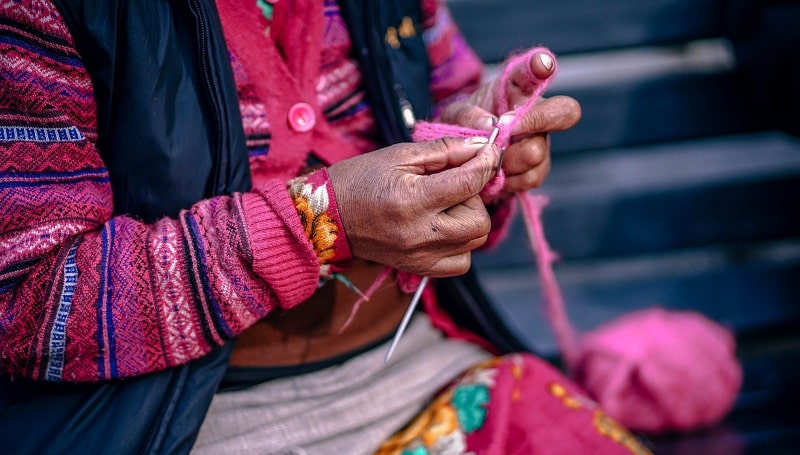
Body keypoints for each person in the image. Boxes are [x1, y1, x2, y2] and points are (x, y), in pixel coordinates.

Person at [0, 0, 650, 453]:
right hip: (192, 420)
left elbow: (452, 106)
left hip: (415, 367)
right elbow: (27, 303)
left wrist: (475, 156)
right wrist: (319, 221)